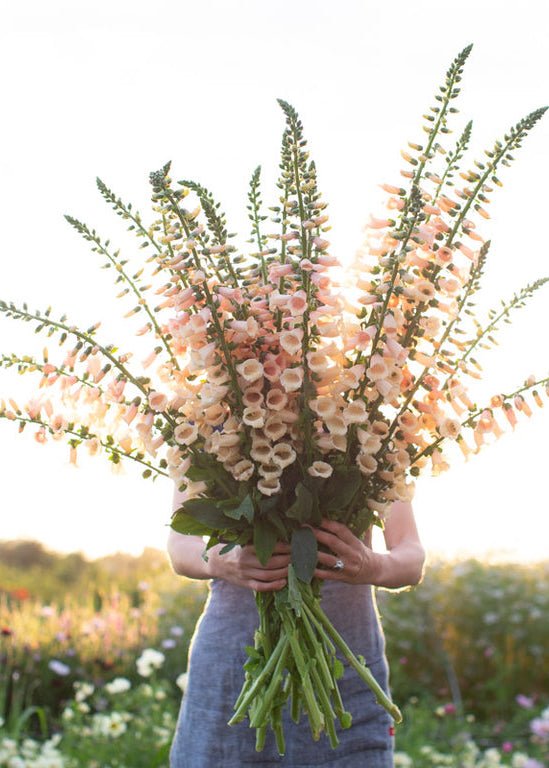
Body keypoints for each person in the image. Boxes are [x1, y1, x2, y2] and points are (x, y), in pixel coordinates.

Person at [167, 486, 425, 768]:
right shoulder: (199, 453)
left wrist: (373, 565)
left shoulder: (384, 455)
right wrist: (217, 560)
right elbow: (181, 545)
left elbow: (411, 557)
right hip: (231, 671)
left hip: (347, 673)